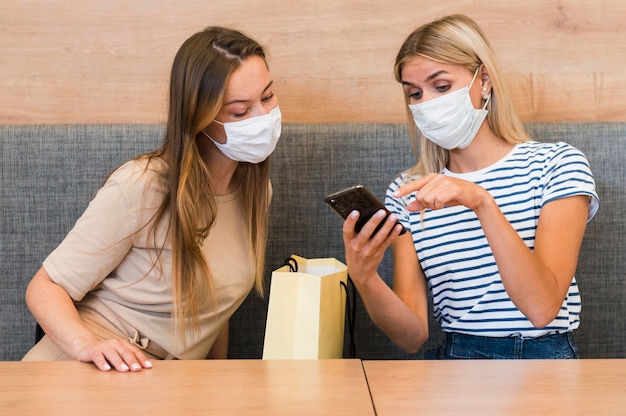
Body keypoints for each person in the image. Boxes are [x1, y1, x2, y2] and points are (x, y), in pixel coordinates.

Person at [22, 26, 281, 371]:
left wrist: (216, 384)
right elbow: (45, 287)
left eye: (267, 97)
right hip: (90, 363)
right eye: (239, 111)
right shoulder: (142, 185)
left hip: (164, 379)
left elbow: (215, 310)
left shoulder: (255, 191)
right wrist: (87, 346)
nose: (263, 119)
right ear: (198, 116)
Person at [341, 14, 598, 359]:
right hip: (456, 360)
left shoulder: (556, 165)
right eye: (414, 93)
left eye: (442, 86)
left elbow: (542, 308)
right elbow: (411, 336)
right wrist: (366, 277)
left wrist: (481, 203)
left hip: (543, 361)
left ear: (485, 80)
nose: (427, 103)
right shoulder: (408, 191)